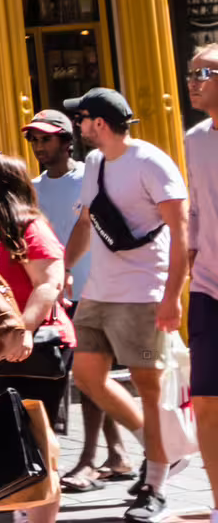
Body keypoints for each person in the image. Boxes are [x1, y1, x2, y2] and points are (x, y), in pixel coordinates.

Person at [61, 87, 190, 523]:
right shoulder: (95, 164)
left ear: (99, 123)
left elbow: (181, 231)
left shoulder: (151, 162)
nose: (77, 127)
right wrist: (64, 268)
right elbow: (84, 222)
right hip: (98, 292)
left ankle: (155, 484)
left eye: (80, 119)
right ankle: (162, 452)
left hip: (142, 294)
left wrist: (172, 296)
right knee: (87, 377)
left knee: (148, 391)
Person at [24, 107, 132, 492]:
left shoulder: (89, 176)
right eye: (34, 140)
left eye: (46, 138)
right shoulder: (32, 187)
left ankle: (88, 460)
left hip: (93, 290)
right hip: (57, 296)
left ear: (67, 141)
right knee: (89, 377)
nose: (39, 146)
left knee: (89, 378)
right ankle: (117, 455)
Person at [0, 150, 72, 523]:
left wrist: (24, 330)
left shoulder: (28, 228)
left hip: (33, 351)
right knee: (9, 441)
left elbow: (49, 284)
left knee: (39, 442)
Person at [182, 48, 218, 523]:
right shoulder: (194, 140)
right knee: (206, 403)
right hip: (207, 289)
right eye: (190, 75)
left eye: (203, 74)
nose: (193, 82)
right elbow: (193, 216)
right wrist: (176, 290)